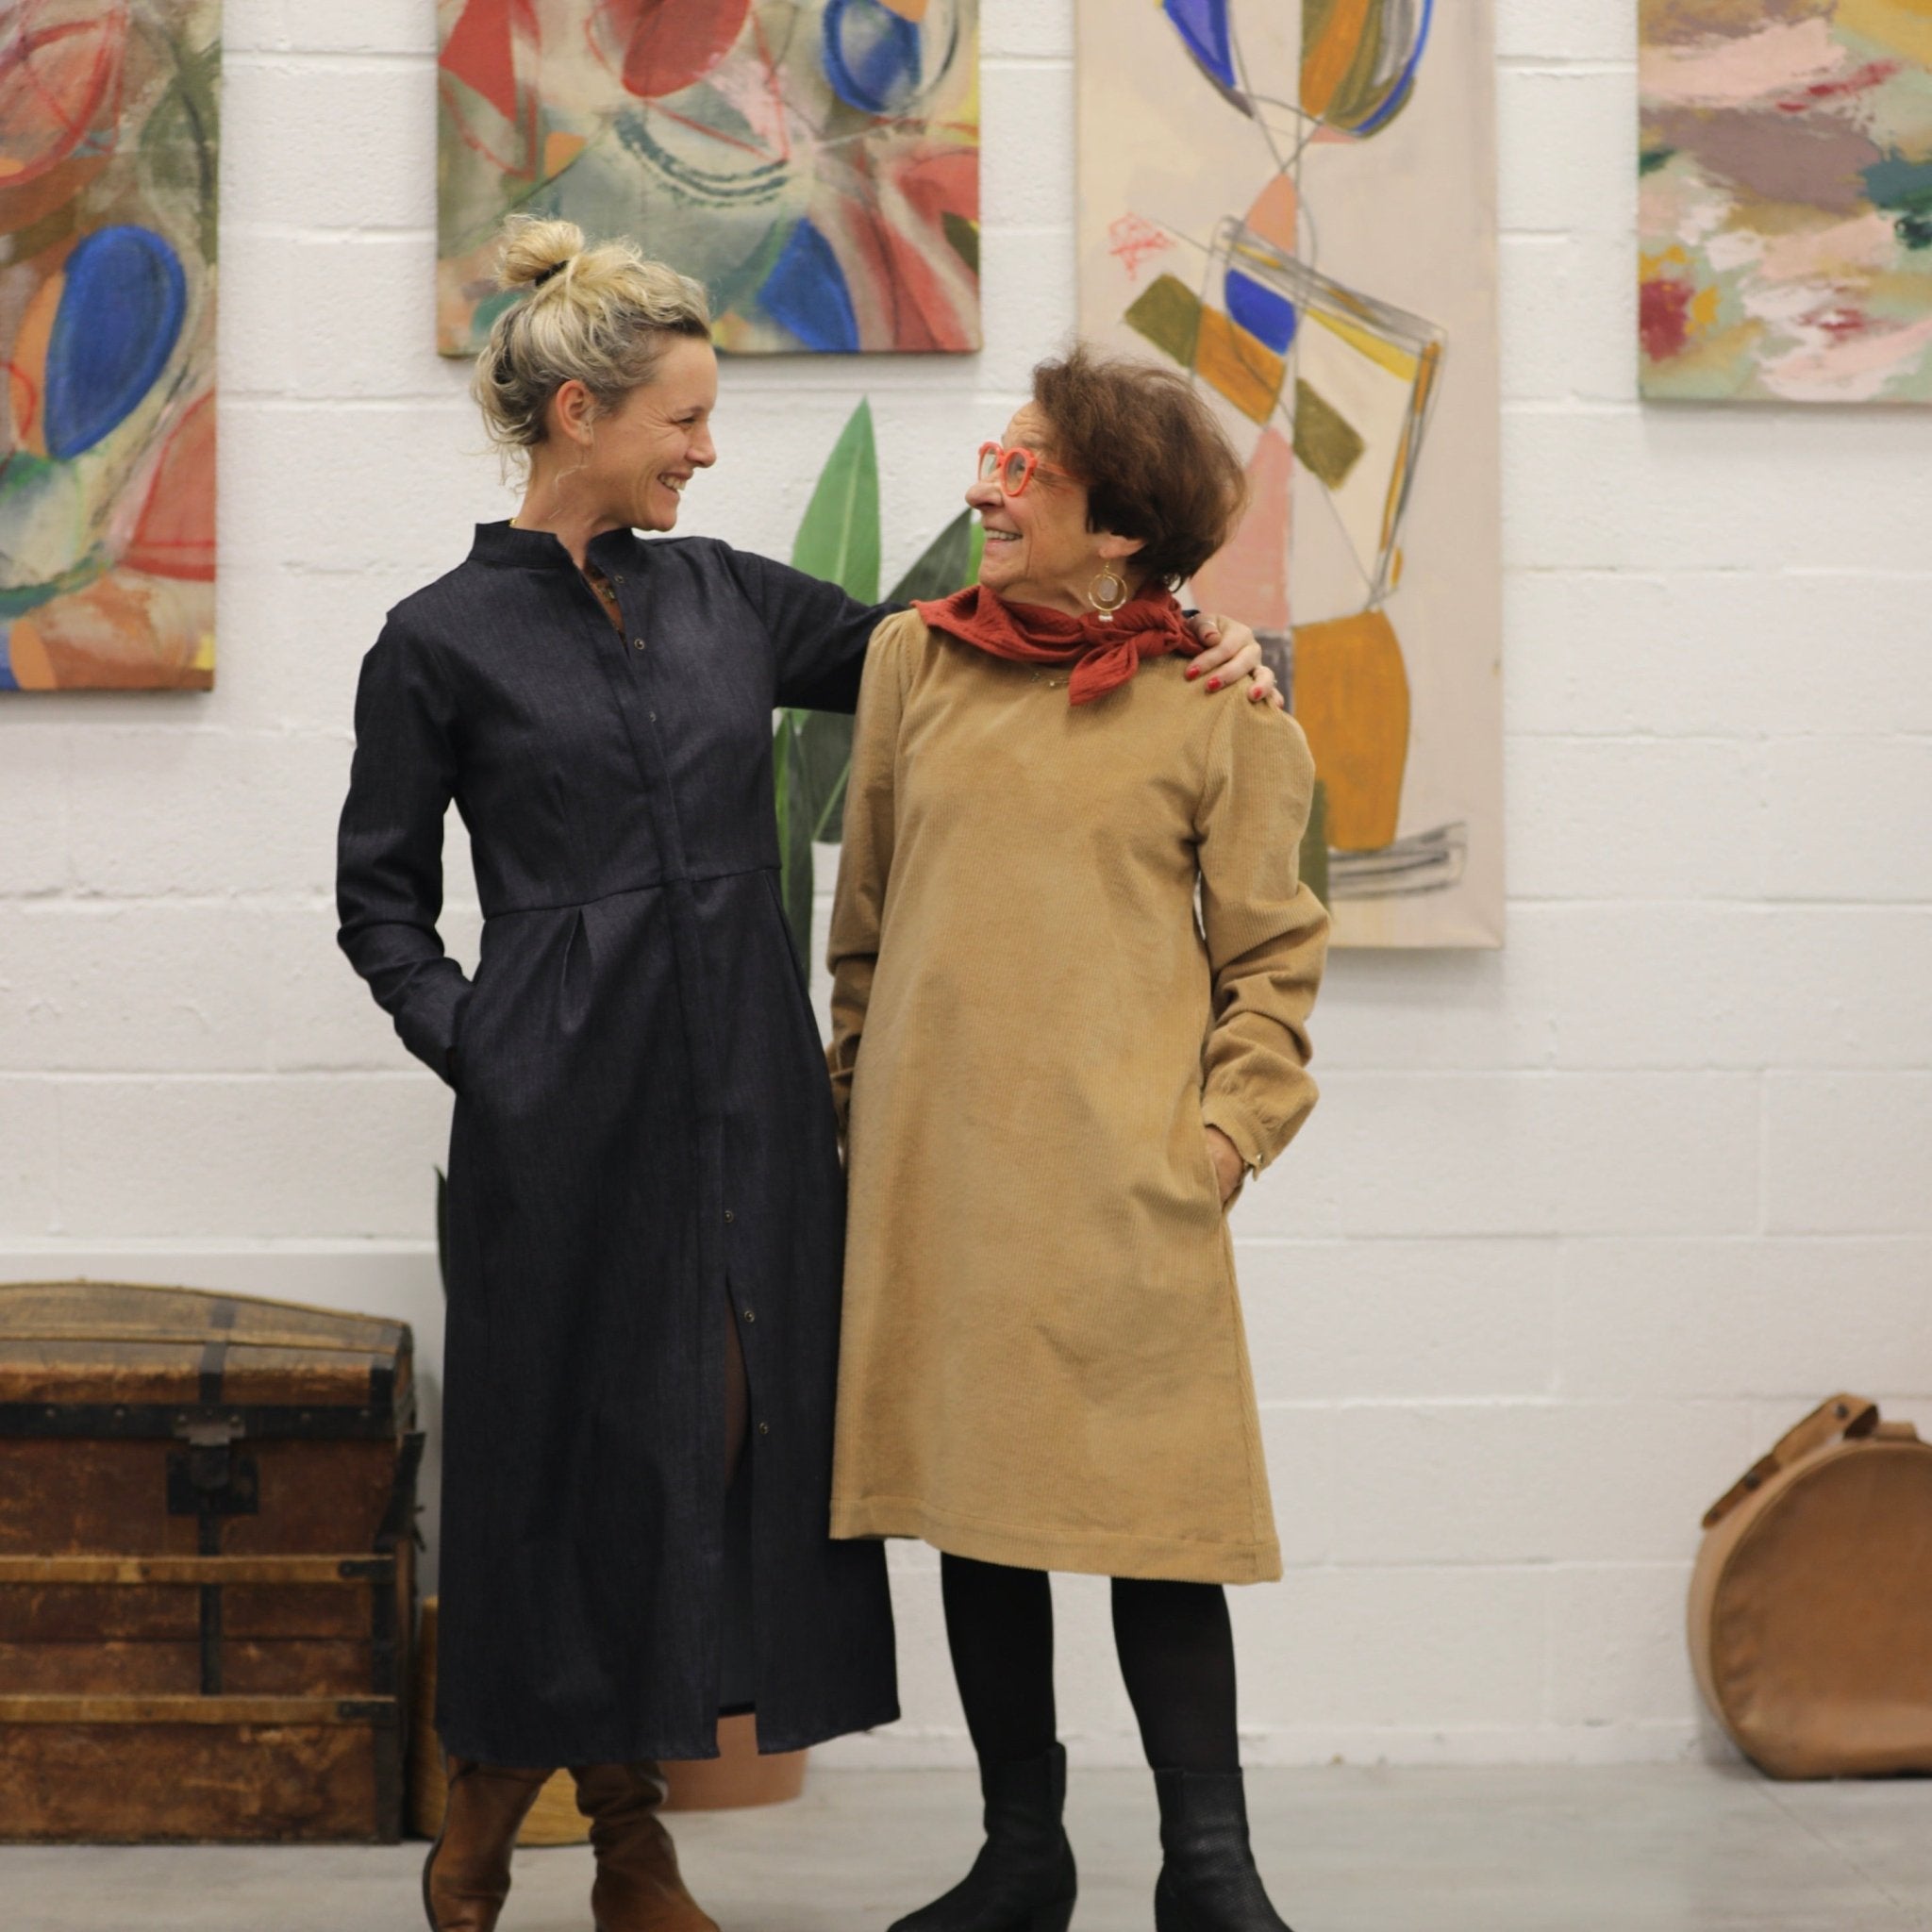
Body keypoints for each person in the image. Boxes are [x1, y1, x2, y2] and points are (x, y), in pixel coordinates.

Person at [335, 220, 1281, 1932]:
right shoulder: (436, 640)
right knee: (561, 1469)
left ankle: (627, 1834)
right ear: (580, 418)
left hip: (756, 1118)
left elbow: (981, 638)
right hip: (560, 1119)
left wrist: (1195, 624)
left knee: (712, 1452)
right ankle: (547, 1820)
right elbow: (379, 902)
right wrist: (485, 1043)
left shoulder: (726, 599)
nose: (708, 452)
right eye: (686, 420)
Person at [827, 347, 1331, 1932]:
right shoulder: (915, 660)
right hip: (940, 1185)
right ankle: (1020, 1857)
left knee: (1156, 1521)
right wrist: (859, 1111)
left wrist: (1223, 1144)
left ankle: (1211, 1872)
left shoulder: (1222, 703)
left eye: (1024, 469)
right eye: (996, 458)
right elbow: (865, 925)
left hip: (1128, 1188)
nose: (988, 489)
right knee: (987, 1517)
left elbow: (1276, 961)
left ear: (1119, 528)